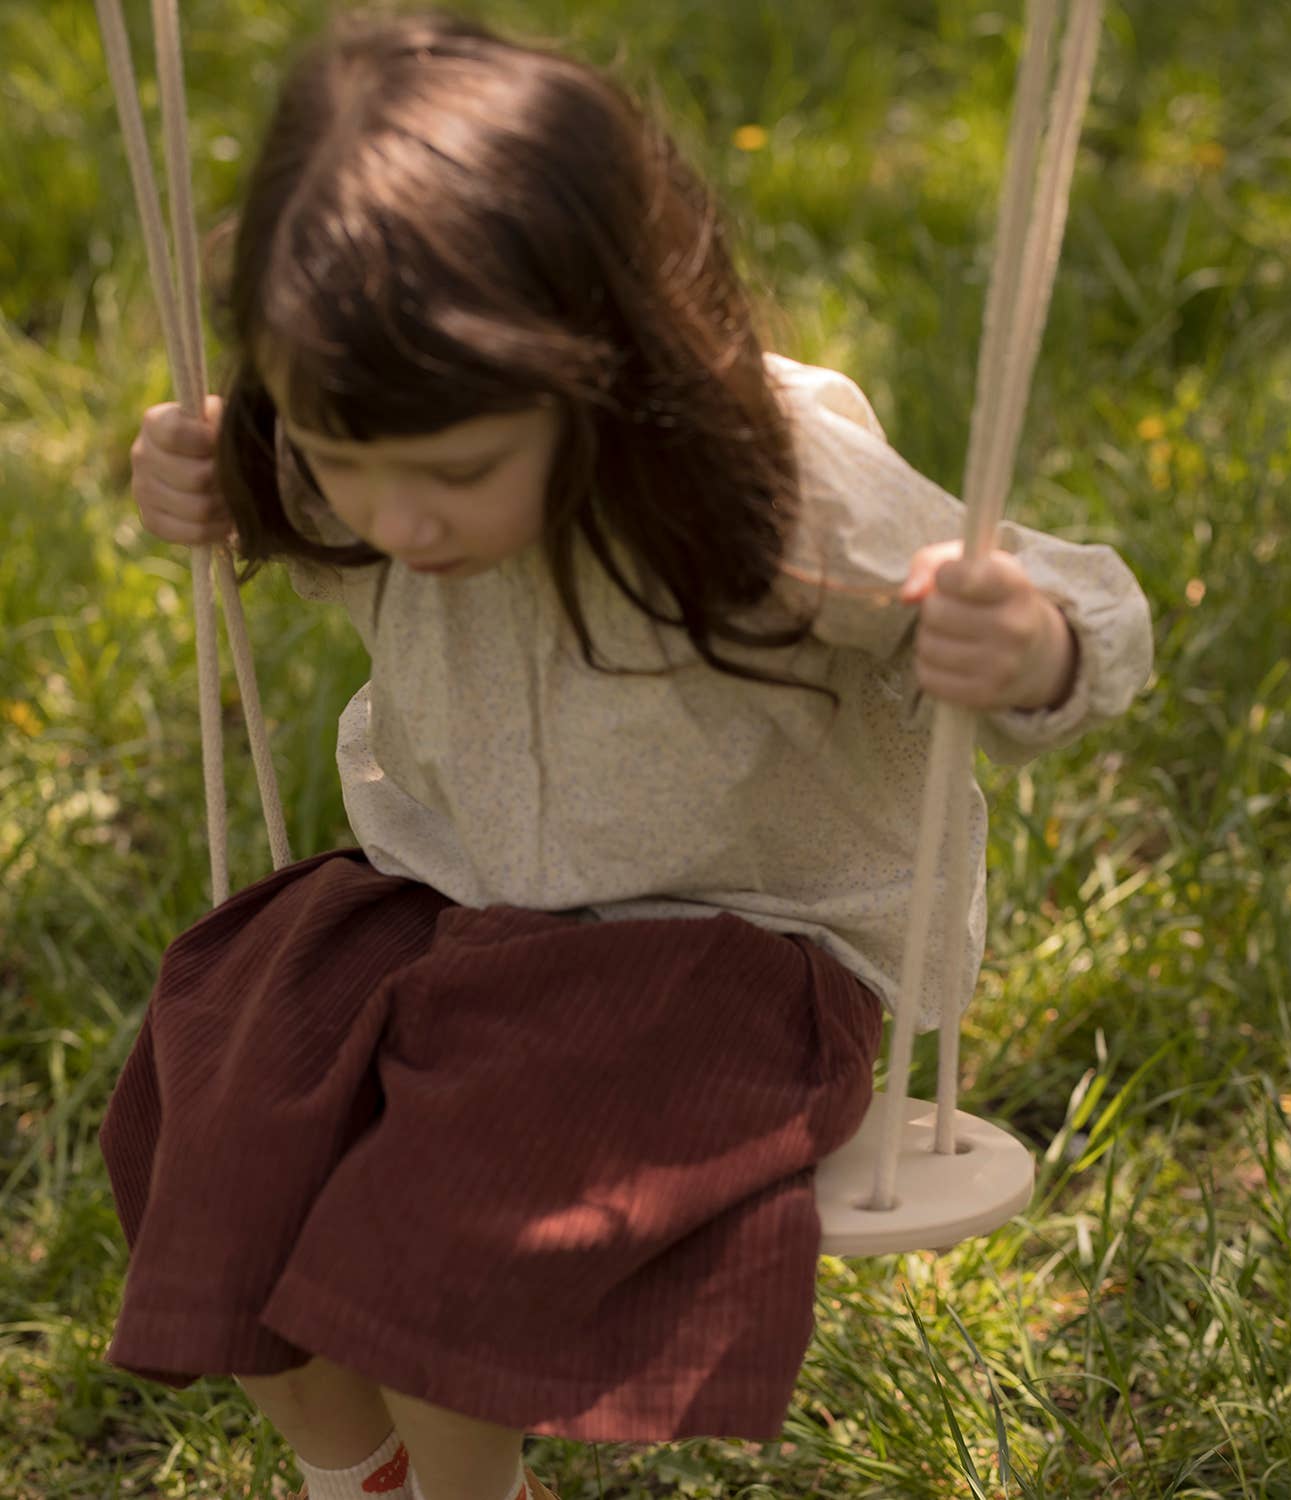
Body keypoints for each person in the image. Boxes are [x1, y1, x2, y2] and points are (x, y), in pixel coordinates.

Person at [101, 11, 1153, 1500]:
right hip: (454, 896)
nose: (396, 522)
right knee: (210, 1097)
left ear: (600, 365)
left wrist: (1032, 645)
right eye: (343, 461)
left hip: (736, 951)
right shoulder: (375, 432)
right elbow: (297, 482)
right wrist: (203, 477)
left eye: (457, 474)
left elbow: (1078, 595)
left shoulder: (768, 483)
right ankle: (361, 1475)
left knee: (449, 1205)